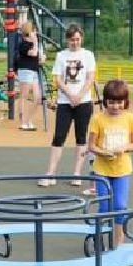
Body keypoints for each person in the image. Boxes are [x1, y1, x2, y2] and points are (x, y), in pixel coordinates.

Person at [41, 25, 98, 190]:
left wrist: (79, 95)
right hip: (65, 102)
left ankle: (77, 174)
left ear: (82, 39)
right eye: (72, 39)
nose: (75, 42)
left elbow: (90, 77)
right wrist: (70, 94)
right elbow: (58, 79)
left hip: (84, 101)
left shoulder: (88, 55)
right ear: (67, 40)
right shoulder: (61, 56)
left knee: (81, 137)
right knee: (59, 136)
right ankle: (50, 174)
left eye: (77, 39)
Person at [86, 78, 133, 247]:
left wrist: (124, 148)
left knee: (119, 206)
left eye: (119, 102)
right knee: (104, 207)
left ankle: (118, 240)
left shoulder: (131, 119)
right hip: (102, 169)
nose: (115, 106)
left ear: (125, 102)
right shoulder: (98, 119)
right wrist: (103, 152)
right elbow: (91, 146)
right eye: (111, 102)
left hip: (122, 169)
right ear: (105, 101)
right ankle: (99, 236)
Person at [12, 17, 43, 131]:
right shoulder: (23, 44)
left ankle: (29, 120)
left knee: (37, 98)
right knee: (24, 96)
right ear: (28, 31)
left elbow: (38, 57)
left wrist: (42, 58)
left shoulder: (33, 43)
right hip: (25, 70)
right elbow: (33, 53)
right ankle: (22, 122)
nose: (35, 33)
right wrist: (35, 42)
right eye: (33, 30)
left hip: (34, 70)